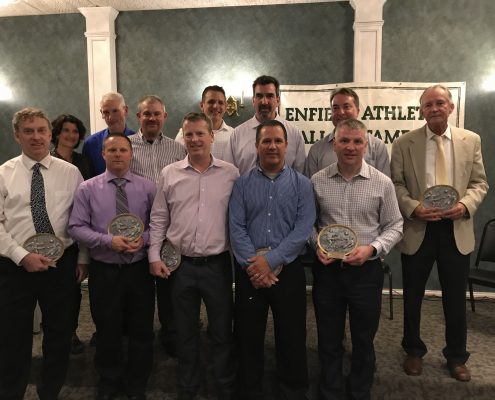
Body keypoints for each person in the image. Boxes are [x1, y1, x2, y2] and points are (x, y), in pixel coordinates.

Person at [390, 85, 488, 382]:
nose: (434, 108)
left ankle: (456, 356)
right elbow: (396, 184)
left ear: (451, 107)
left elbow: (479, 183)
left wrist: (465, 205)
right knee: (413, 296)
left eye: (440, 103)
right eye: (428, 104)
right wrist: (414, 208)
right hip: (419, 228)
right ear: (421, 110)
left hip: (456, 230)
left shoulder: (471, 140)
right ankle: (413, 350)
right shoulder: (404, 143)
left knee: (455, 298)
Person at [149, 112, 239, 400]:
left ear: (212, 137)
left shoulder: (231, 174)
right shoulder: (169, 173)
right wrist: (153, 255)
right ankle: (188, 387)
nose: (195, 139)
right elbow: (159, 217)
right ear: (183, 138)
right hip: (180, 266)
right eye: (189, 134)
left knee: (222, 331)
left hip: (217, 266)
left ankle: (224, 386)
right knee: (184, 332)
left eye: (201, 133)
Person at [311, 118, 402, 400]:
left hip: (366, 273)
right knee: (328, 338)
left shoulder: (382, 183)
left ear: (367, 146)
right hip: (328, 272)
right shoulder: (317, 181)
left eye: (357, 141)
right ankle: (330, 391)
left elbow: (395, 225)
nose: (350, 147)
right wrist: (315, 244)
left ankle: (360, 391)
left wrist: (372, 249)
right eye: (344, 141)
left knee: (364, 339)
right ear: (334, 145)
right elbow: (308, 224)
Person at [0, 108, 85, 400]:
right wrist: (21, 256)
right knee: (13, 335)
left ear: (51, 134)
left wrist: (83, 259)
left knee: (59, 334)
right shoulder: (4, 173)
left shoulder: (71, 173)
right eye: (28, 131)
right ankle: (11, 393)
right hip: (15, 266)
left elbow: (82, 219)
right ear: (17, 136)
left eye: (41, 130)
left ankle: (50, 392)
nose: (36, 137)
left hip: (62, 264)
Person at [229, 119, 315, 399]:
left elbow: (303, 228)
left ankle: (292, 389)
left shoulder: (302, 185)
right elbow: (236, 227)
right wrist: (254, 264)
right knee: (247, 335)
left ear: (287, 146)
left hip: (288, 270)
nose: (272, 146)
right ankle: (249, 389)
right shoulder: (241, 185)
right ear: (257, 146)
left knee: (292, 334)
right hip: (250, 270)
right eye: (266, 141)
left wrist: (271, 260)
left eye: (278, 141)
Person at [68, 134, 156, 400]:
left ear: (131, 154)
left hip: (138, 270)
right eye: (112, 150)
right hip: (105, 271)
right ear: (103, 154)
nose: (118, 154)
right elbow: (76, 227)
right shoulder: (87, 189)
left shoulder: (148, 187)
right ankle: (109, 381)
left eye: (123, 150)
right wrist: (108, 241)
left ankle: (137, 383)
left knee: (141, 329)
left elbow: (159, 225)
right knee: (107, 329)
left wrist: (144, 239)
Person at [128, 95, 186, 357]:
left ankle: (170, 335)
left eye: (156, 114)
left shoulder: (178, 149)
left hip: (169, 230)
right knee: (138, 291)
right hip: (136, 229)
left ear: (165, 117)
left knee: (169, 289)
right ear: (138, 117)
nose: (152, 118)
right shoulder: (126, 147)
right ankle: (140, 339)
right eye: (146, 114)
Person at [51, 113, 93, 355]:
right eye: (66, 130)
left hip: (76, 233)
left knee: (72, 289)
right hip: (51, 232)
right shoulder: (46, 160)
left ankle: (71, 333)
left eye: (75, 131)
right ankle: (54, 333)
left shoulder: (83, 162)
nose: (70, 135)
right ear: (57, 133)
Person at [224, 75, 306, 174]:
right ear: (253, 100)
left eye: (269, 96)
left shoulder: (294, 134)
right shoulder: (237, 135)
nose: (264, 102)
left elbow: (300, 174)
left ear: (278, 100)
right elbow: (229, 174)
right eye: (259, 96)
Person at [304, 87, 390, 178]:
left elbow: (383, 183)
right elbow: (311, 184)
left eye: (346, 107)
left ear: (357, 111)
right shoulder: (317, 150)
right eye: (336, 108)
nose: (341, 112)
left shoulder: (377, 147)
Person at [82, 92, 135, 176]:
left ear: (125, 110)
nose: (111, 117)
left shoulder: (138, 141)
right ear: (101, 113)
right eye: (106, 112)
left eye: (115, 111)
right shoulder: (91, 144)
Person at [175, 85, 233, 160]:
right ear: (202, 105)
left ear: (225, 107)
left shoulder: (234, 135)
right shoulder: (183, 134)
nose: (215, 106)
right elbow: (177, 163)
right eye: (211, 102)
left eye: (220, 103)